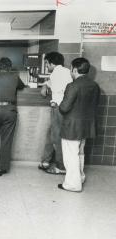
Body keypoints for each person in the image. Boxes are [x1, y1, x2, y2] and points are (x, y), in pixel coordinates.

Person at [58, 58, 100, 192]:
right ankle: (80, 177)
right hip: (87, 125)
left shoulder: (73, 86)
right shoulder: (94, 85)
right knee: (80, 152)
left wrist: (58, 104)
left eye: (71, 69)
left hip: (72, 127)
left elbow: (64, 108)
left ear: (74, 70)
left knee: (71, 155)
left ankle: (72, 184)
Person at [38, 52, 73, 175]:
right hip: (64, 108)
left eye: (47, 63)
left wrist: (53, 102)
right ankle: (46, 161)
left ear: (52, 63)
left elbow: (58, 91)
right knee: (51, 132)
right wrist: (45, 85)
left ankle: (61, 166)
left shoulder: (56, 74)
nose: (46, 66)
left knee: (56, 136)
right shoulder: (66, 71)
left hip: (58, 108)